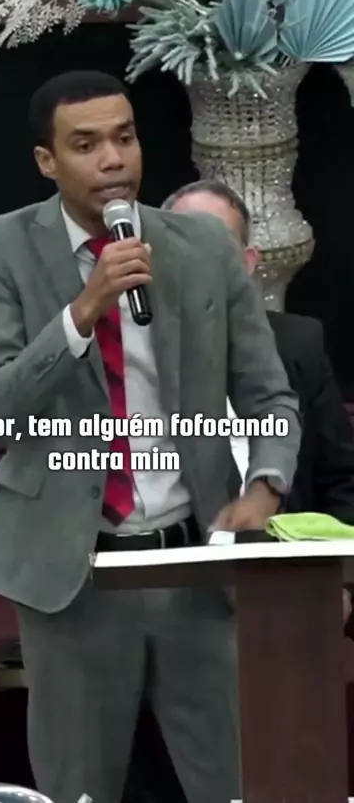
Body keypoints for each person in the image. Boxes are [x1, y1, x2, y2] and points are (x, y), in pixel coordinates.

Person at [0, 70, 301, 803]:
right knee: (80, 788)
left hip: (195, 564)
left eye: (125, 137)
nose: (113, 159)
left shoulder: (202, 247)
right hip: (72, 572)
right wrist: (81, 314)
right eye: (86, 145)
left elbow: (270, 395)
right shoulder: (0, 246)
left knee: (235, 783)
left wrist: (265, 488)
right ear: (47, 160)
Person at [163, 179, 354, 621]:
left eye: (216, 247)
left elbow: (342, 480)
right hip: (174, 581)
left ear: (247, 263)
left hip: (284, 580)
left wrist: (341, 583)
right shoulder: (134, 355)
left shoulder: (298, 345)